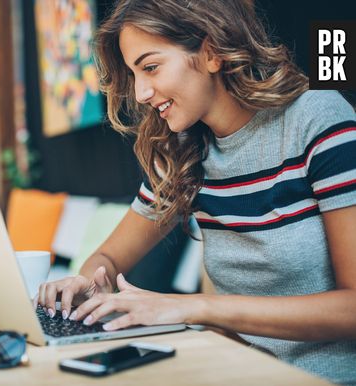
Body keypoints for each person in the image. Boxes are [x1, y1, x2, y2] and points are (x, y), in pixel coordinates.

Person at [35, 0, 356, 384]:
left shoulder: (317, 120)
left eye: (150, 67)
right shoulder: (184, 151)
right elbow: (107, 256)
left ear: (211, 52)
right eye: (134, 74)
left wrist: (192, 307)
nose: (140, 92)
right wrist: (84, 282)